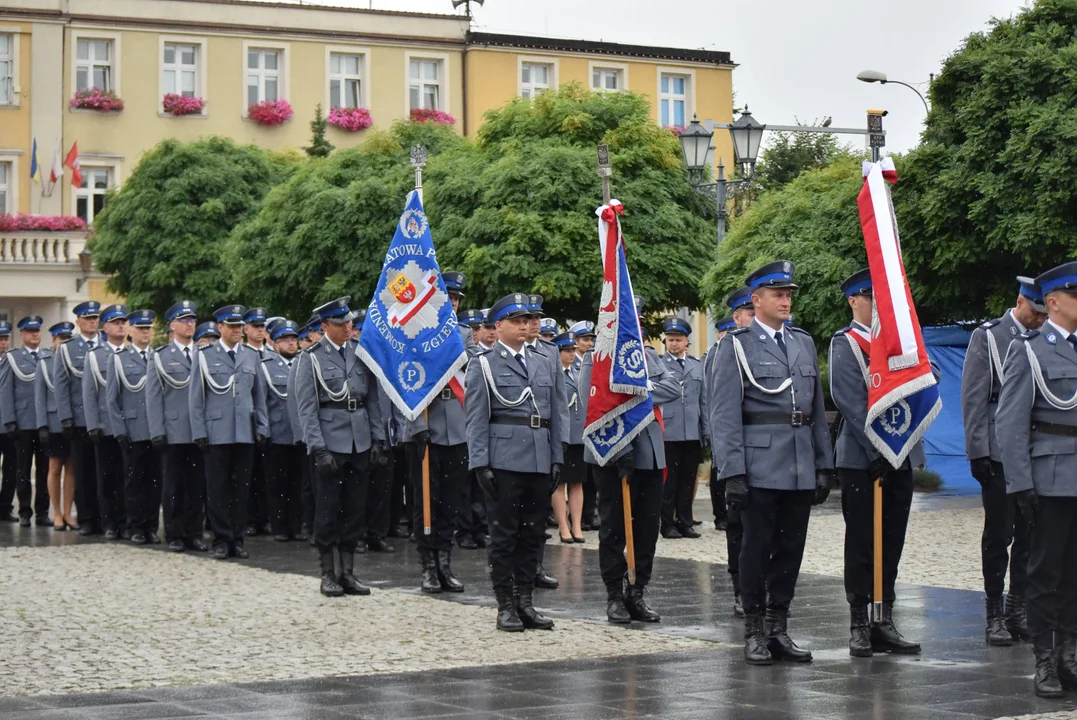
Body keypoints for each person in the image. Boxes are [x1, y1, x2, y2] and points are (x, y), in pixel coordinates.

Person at [711, 260, 834, 665]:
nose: (785, 301)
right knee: (755, 549)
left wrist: (822, 463)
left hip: (798, 463)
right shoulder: (736, 346)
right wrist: (732, 472)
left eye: (788, 295)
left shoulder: (801, 342)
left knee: (789, 549)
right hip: (759, 464)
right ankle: (753, 629)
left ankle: (779, 626)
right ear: (756, 299)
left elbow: (814, 409)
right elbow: (724, 415)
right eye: (777, 294)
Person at [829, 269, 922, 657]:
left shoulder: (900, 344)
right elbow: (849, 400)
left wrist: (897, 448)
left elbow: (920, 386)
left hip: (900, 456)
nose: (878, 304)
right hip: (862, 459)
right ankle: (859, 621)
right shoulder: (846, 343)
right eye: (870, 297)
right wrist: (878, 449)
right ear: (854, 300)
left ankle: (884, 618)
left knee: (892, 541)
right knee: (863, 541)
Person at [995, 261, 1077, 699]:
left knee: (1075, 573)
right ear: (1054, 302)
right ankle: (1044, 658)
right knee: (1044, 574)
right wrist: (1020, 484)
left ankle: (1070, 653)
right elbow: (1009, 423)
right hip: (1049, 477)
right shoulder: (1029, 350)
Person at [466, 293, 565, 631]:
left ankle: (526, 602)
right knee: (504, 536)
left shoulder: (545, 359)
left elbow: (557, 411)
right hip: (504, 459)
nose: (525, 326)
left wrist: (557, 457)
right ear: (499, 326)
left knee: (534, 534)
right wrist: (480, 463)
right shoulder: (483, 363)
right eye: (517, 321)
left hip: (539, 455)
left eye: (528, 320)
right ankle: (505, 605)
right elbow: (476, 418)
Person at [962, 276, 1045, 646]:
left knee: (1028, 535)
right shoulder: (990, 336)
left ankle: (1017, 608)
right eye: (1034, 311)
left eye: (1044, 313)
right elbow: (974, 398)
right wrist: (977, 451)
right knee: (999, 535)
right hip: (996, 453)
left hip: (1031, 451)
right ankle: (993, 612)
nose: (1038, 319)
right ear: (1020, 301)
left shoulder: (1043, 338)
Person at [579, 325, 680, 626]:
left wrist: (635, 388)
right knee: (614, 526)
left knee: (647, 526)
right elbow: (592, 404)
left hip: (648, 450)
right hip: (612, 450)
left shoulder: (646, 354)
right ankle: (614, 594)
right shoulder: (596, 357)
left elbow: (674, 388)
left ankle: (637, 592)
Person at [294, 297, 386, 596]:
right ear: (324, 326)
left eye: (349, 323)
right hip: (330, 442)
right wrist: (317, 448)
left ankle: (348, 572)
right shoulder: (310, 358)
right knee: (327, 509)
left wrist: (376, 439)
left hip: (358, 440)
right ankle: (327, 573)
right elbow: (306, 409)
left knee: (354, 509)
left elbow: (370, 400)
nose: (348, 327)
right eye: (341, 324)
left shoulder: (360, 353)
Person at [190, 304, 269, 560]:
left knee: (241, 488)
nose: (237, 330)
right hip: (217, 431)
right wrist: (199, 431)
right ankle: (222, 539)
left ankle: (237, 538)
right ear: (220, 327)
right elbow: (196, 398)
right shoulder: (204, 355)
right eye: (232, 326)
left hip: (244, 431)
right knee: (217, 489)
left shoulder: (250, 356)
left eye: (239, 326)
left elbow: (259, 396)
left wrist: (262, 426)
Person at [706, 287, 756, 618]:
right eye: (749, 312)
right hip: (738, 452)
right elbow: (719, 410)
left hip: (771, 455)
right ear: (737, 316)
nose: (754, 317)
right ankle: (741, 587)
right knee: (738, 526)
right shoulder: (726, 350)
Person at [147, 301, 207, 553]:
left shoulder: (204, 354)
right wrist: (157, 431)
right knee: (173, 485)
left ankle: (194, 533)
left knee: (197, 486)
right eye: (184, 320)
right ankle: (174, 533)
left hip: (199, 431)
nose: (190, 324)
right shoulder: (161, 357)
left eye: (192, 320)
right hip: (173, 431)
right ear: (173, 326)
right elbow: (153, 397)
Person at [106, 309, 161, 545]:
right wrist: (119, 430)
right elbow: (112, 399)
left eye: (148, 328)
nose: (145, 332)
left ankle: (151, 526)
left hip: (156, 429)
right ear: (131, 331)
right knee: (134, 480)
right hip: (133, 428)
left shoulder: (158, 357)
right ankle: (135, 526)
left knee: (155, 480)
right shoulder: (119, 358)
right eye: (140, 328)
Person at [53, 301, 102, 536]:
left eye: (95, 318)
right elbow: (61, 387)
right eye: (88, 318)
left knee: (106, 471)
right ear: (78, 322)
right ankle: (87, 518)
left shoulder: (108, 345)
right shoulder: (67, 348)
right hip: (81, 419)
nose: (92, 321)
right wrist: (66, 418)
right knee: (83, 472)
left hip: (105, 420)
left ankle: (106, 518)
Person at [0, 315, 50, 527]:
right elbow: (6, 391)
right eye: (30, 331)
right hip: (23, 421)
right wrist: (10, 419)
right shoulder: (13, 358)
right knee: (22, 469)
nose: (35, 334)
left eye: (37, 330)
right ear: (22, 335)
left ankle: (42, 512)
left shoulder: (48, 356)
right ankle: (25, 512)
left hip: (44, 422)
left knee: (44, 470)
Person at [84, 305, 128, 539]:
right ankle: (110, 522)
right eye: (116, 322)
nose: (121, 325)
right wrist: (93, 425)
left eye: (123, 322)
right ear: (105, 328)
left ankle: (126, 520)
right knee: (107, 477)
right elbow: (90, 394)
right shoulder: (95, 356)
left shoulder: (133, 354)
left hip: (130, 425)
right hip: (106, 426)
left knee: (128, 477)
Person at [658, 317, 705, 540]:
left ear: (687, 341)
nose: (674, 344)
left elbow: (704, 400)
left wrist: (705, 430)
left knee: (688, 480)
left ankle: (685, 521)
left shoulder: (697, 365)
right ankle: (667, 523)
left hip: (692, 431)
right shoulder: (659, 365)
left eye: (678, 340)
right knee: (669, 480)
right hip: (669, 431)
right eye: (670, 340)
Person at [261, 320, 306, 542]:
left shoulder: (303, 363)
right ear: (275, 343)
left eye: (293, 339)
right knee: (277, 483)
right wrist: (264, 430)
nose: (291, 344)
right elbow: (262, 401)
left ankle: (296, 526)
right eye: (285, 340)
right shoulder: (266, 365)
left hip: (300, 433)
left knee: (298, 482)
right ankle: (279, 526)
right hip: (277, 432)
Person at [35, 322, 74, 530]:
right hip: (53, 422)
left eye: (68, 339)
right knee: (54, 467)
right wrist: (42, 424)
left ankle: (68, 512)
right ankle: (56, 513)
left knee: (72, 468)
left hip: (72, 422)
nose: (64, 343)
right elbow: (39, 397)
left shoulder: (76, 359)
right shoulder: (44, 362)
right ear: (54, 341)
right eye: (61, 339)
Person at [702, 314, 737, 531]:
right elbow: (710, 392)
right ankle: (720, 514)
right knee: (719, 470)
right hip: (719, 419)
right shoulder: (715, 353)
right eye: (727, 332)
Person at [553, 331, 585, 543]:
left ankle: (577, 525)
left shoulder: (580, 371)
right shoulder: (553, 372)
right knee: (559, 484)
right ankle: (563, 526)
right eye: (566, 350)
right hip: (560, 435)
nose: (571, 354)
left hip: (579, 435)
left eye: (573, 350)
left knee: (577, 482)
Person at [568, 320, 599, 531]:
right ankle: (580, 516)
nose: (589, 343)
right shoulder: (571, 363)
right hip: (576, 427)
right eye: (585, 340)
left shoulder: (596, 361)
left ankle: (591, 512)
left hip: (592, 424)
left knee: (592, 475)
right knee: (577, 476)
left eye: (591, 339)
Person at [242, 306, 270, 537]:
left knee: (268, 475)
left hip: (271, 424)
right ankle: (251, 518)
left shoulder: (273, 355)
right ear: (246, 329)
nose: (261, 330)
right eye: (256, 326)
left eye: (263, 327)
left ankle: (266, 516)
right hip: (248, 424)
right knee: (251, 475)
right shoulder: (243, 354)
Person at [0, 321, 17, 524]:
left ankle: (5, 507)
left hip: (9, 424)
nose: (3, 343)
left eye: (5, 339)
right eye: (0, 339)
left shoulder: (14, 361)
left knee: (12, 467)